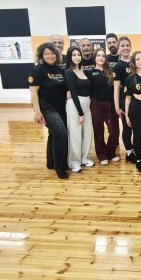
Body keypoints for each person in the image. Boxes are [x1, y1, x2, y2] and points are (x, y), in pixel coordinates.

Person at [29, 43, 68, 179]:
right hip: (46, 107)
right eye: (46, 54)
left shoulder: (60, 70)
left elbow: (63, 88)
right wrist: (37, 111)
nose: (50, 56)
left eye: (52, 53)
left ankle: (51, 163)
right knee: (61, 134)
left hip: (60, 107)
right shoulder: (37, 70)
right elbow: (33, 92)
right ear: (41, 56)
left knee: (53, 134)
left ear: (56, 55)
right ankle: (60, 167)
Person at [87, 47, 120, 165]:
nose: (101, 58)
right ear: (94, 58)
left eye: (103, 56)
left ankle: (111, 152)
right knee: (99, 131)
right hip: (96, 105)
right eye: (98, 55)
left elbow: (117, 88)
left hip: (111, 105)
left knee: (114, 131)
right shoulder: (90, 72)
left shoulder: (110, 71)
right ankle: (102, 155)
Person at [65, 47, 94, 172]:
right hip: (75, 106)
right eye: (74, 55)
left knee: (87, 132)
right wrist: (81, 113)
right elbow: (73, 93)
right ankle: (74, 161)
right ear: (70, 57)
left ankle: (84, 158)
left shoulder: (83, 71)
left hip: (86, 104)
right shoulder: (69, 73)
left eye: (78, 54)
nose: (77, 57)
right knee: (75, 134)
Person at [113, 37, 136, 163]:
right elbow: (116, 88)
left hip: (138, 100)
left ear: (130, 46)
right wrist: (117, 107)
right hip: (124, 101)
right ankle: (129, 152)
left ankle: (137, 149)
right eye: (122, 46)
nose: (125, 48)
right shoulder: (118, 66)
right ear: (118, 48)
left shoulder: (135, 61)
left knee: (138, 127)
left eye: (127, 45)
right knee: (127, 127)